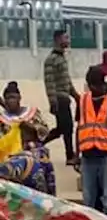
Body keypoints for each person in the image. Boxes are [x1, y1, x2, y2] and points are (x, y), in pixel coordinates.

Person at [76, 65, 107, 218]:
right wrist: (77, 154)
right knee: (88, 199)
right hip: (88, 155)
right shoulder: (82, 101)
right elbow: (79, 127)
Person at [0, 81, 59, 194]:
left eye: (13, 97)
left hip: (35, 154)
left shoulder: (32, 113)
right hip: (12, 158)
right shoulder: (2, 119)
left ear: (19, 98)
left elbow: (44, 133)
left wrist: (30, 127)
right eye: (8, 98)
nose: (11, 101)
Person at [42, 28, 78, 165]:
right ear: (57, 40)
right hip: (59, 99)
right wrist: (52, 102)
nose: (68, 41)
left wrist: (75, 95)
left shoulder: (61, 58)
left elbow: (66, 80)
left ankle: (39, 143)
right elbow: (49, 82)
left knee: (62, 128)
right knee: (66, 128)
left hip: (65, 98)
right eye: (65, 38)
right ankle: (69, 156)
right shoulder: (51, 60)